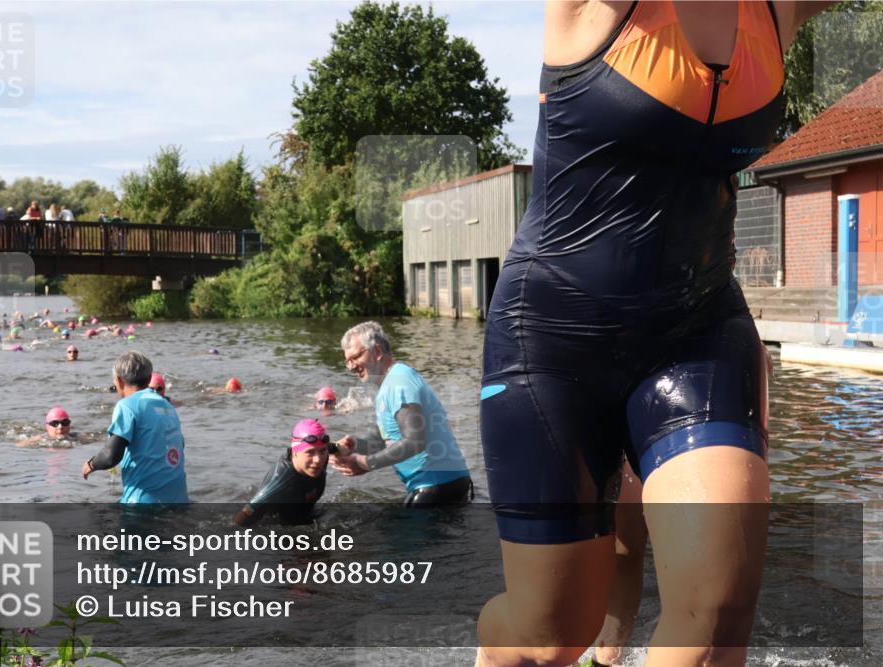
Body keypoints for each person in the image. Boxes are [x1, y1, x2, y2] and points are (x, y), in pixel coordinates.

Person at [475, 3, 839, 666]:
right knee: (553, 631)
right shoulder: (598, 10)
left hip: (698, 329)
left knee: (717, 607)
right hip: (554, 340)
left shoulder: (775, 9)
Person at [331, 321, 472, 506]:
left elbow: (415, 441)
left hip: (439, 485)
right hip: (438, 485)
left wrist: (366, 463)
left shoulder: (400, 382)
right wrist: (356, 445)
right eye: (347, 361)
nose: (351, 367)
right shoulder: (388, 385)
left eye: (355, 357)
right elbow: (382, 440)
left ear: (378, 351)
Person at [82, 351, 188, 504]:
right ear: (150, 378)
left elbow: (110, 456)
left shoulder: (127, 406)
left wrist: (91, 464)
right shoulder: (167, 406)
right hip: (180, 499)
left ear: (119, 381)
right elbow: (180, 445)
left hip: (143, 503)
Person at [234, 419, 329, 527]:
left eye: (322, 451)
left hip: (308, 516)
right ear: (295, 452)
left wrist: (344, 446)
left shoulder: (322, 456)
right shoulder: (280, 481)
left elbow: (333, 447)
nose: (318, 460)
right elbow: (239, 521)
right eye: (310, 452)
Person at [17, 406, 94, 447]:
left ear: (69, 425)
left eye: (65, 422)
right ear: (47, 427)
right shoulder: (41, 439)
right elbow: (20, 445)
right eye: (55, 423)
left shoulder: (77, 437)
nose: (60, 427)